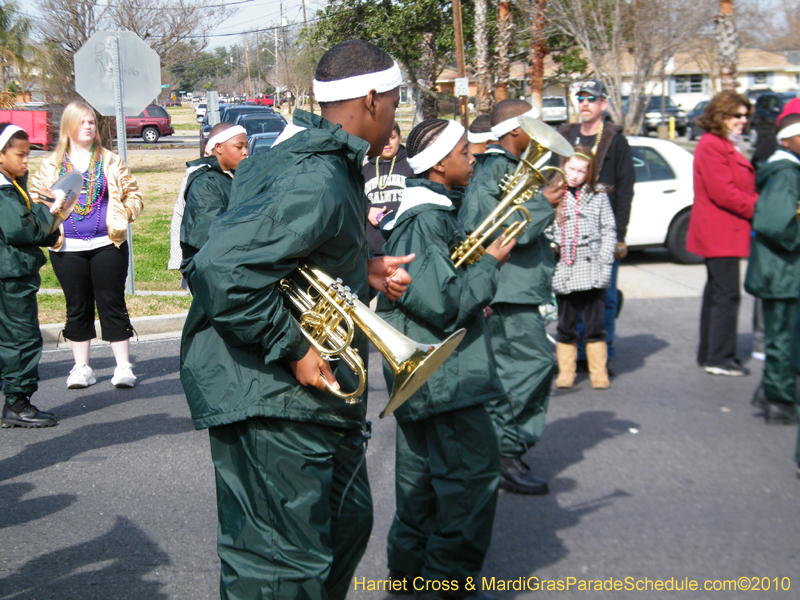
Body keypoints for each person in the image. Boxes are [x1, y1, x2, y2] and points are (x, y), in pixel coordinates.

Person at [179, 40, 413, 600]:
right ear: (374, 98)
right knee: (281, 570)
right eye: (397, 103)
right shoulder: (315, 175)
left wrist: (361, 267)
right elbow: (221, 268)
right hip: (272, 392)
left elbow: (290, 255)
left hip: (307, 402)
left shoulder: (317, 161)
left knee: (344, 526)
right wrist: (293, 346)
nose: (397, 117)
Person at [376, 118, 514, 599]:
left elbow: (439, 291)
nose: (473, 159)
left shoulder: (429, 214)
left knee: (421, 487)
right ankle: (446, 585)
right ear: (438, 163)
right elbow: (443, 304)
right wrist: (490, 266)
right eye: (465, 153)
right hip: (445, 379)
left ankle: (409, 580)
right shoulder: (426, 220)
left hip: (430, 378)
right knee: (470, 483)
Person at [459, 99, 562, 496]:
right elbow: (496, 226)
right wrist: (545, 205)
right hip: (507, 290)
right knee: (531, 366)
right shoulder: (496, 169)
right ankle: (502, 450)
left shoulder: (511, 169)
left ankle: (502, 448)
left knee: (514, 370)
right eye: (533, 123)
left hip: (516, 288)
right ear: (516, 129)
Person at [30, 101, 144, 389]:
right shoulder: (51, 165)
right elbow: (35, 203)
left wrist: (122, 216)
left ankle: (123, 367)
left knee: (112, 302)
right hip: (67, 250)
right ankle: (81, 368)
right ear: (69, 127)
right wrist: (49, 205)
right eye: (82, 122)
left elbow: (134, 196)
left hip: (108, 244)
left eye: (92, 121)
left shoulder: (110, 161)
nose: (89, 127)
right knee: (77, 306)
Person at [556, 79, 634, 375]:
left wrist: (620, 237)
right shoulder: (564, 135)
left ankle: (602, 358)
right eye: (581, 98)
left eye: (592, 98)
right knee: (568, 301)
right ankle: (573, 358)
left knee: (604, 301)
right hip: (567, 232)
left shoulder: (615, 139)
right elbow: (551, 181)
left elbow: (626, 190)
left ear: (603, 104)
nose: (585, 103)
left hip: (601, 235)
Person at [687, 90, 758, 377]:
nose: (743, 121)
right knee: (726, 295)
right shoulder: (712, 145)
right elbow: (724, 192)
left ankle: (711, 353)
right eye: (736, 116)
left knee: (718, 293)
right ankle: (719, 357)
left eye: (745, 116)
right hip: (719, 230)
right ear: (722, 116)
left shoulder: (724, 143)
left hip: (723, 229)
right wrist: (760, 208)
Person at [0, 124, 60, 427]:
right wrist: (50, 208)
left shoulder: (14, 187)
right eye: (20, 155)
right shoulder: (3, 191)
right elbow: (22, 230)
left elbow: (37, 231)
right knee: (21, 339)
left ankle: (15, 399)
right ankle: (17, 403)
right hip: (10, 278)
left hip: (11, 275)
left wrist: (47, 212)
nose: (26, 161)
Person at [745, 108, 800, 425]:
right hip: (781, 272)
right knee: (781, 338)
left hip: (781, 271)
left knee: (782, 337)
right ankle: (778, 399)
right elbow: (773, 224)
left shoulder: (786, 170)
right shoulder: (786, 174)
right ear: (788, 140)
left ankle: (770, 391)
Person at [546, 147, 616, 389]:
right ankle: (567, 371)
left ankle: (599, 372)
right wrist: (552, 243)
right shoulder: (553, 194)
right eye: (571, 168)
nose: (575, 175)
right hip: (565, 270)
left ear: (590, 172)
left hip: (592, 270)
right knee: (565, 324)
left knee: (595, 325)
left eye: (581, 171)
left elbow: (609, 229)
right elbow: (545, 229)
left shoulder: (598, 195)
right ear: (563, 166)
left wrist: (605, 259)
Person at [179, 122, 248, 279]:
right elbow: (210, 231)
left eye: (246, 147)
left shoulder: (232, 176)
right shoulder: (204, 181)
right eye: (239, 147)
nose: (245, 152)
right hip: (213, 271)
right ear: (219, 148)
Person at [362, 121, 413, 255]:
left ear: (400, 139)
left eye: (392, 137)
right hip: (373, 250)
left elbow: (423, 201)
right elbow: (352, 202)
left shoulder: (412, 167)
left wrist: (400, 214)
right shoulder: (363, 171)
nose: (387, 143)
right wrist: (367, 211)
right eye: (383, 138)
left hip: (405, 246)